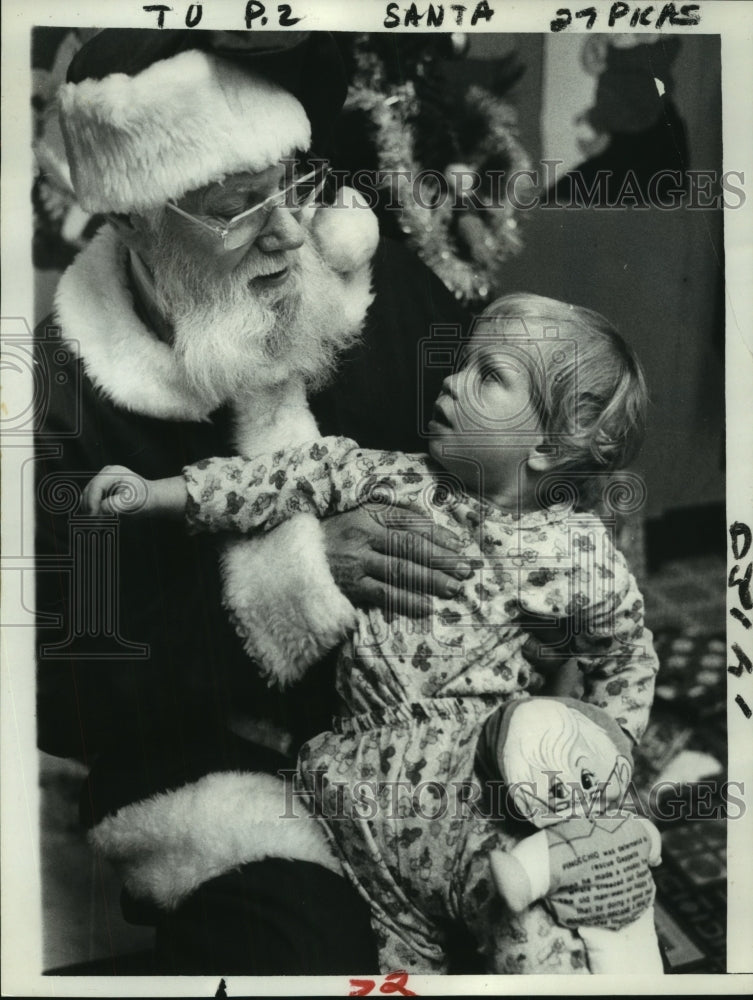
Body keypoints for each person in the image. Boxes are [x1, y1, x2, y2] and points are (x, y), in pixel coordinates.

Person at [34, 28, 472, 974]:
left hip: (429, 713)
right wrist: (297, 581)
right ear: (136, 220)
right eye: (236, 207)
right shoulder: (59, 399)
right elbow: (67, 698)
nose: (287, 233)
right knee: (308, 952)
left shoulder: (385, 291)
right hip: (216, 765)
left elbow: (516, 454)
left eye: (293, 185)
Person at [84, 293, 660, 972]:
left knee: (535, 939)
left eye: (488, 375)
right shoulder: (381, 476)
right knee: (385, 976)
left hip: (472, 796)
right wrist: (153, 494)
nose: (452, 380)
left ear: (548, 446)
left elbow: (625, 654)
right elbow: (268, 482)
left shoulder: (571, 551)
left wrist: (601, 756)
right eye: (462, 362)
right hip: (356, 799)